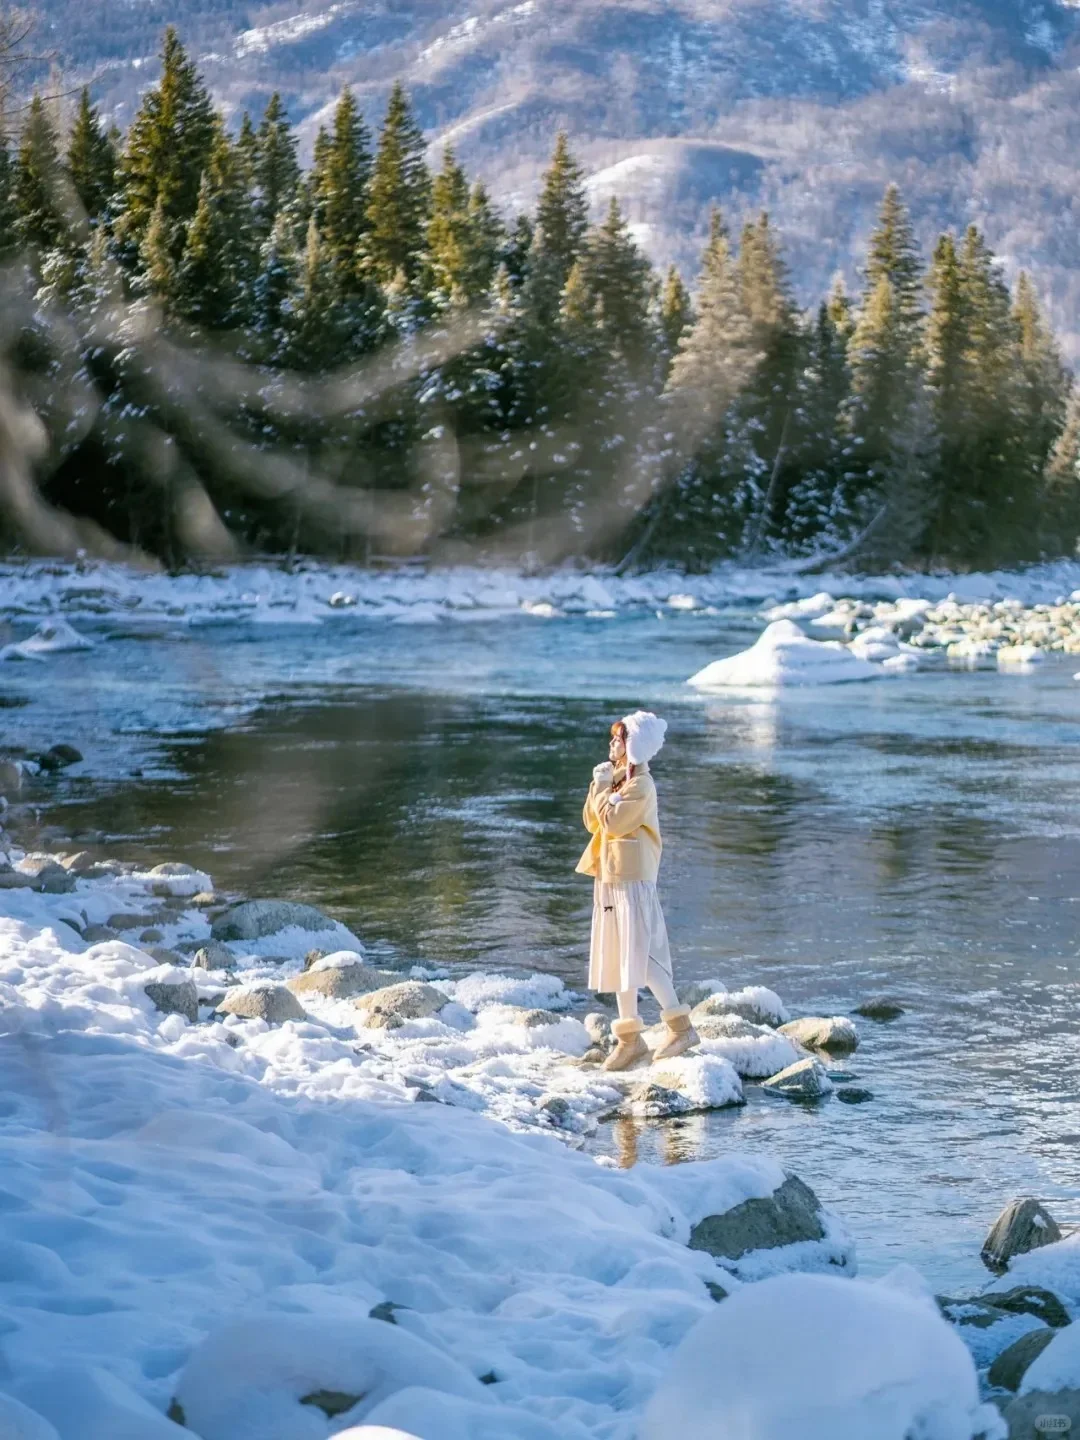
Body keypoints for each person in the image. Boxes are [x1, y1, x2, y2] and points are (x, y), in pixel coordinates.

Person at [576, 710, 699, 1071]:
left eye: (618, 739)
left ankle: (682, 1028)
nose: (611, 745)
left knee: (640, 955)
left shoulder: (641, 786)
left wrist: (602, 790)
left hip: (633, 878)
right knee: (619, 953)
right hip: (611, 874)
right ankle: (630, 1040)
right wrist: (597, 786)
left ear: (633, 746)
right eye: (613, 739)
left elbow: (614, 822)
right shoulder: (617, 781)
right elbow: (591, 821)